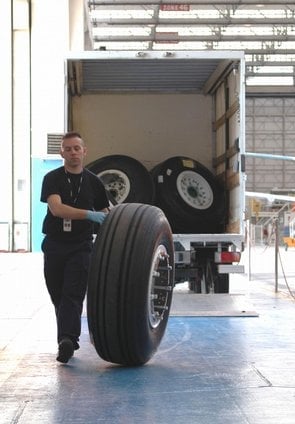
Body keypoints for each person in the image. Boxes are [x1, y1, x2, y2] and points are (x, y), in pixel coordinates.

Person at [40, 131, 110, 364]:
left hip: (81, 246)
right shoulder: (52, 178)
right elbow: (57, 209)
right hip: (55, 244)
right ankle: (67, 335)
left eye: (76, 148)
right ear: (62, 152)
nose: (73, 152)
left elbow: (105, 212)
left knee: (73, 293)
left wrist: (106, 219)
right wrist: (88, 215)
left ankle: (67, 340)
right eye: (68, 149)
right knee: (57, 294)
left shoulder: (94, 182)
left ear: (84, 151)